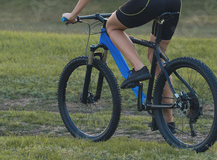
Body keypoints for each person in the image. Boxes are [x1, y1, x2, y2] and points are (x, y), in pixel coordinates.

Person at [62, 0, 181, 131]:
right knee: (156, 56)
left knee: (111, 26)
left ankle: (139, 68)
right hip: (173, 2)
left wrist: (73, 15)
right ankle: (168, 122)